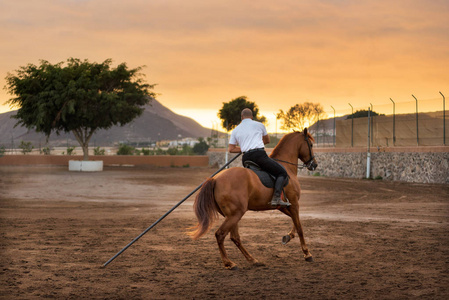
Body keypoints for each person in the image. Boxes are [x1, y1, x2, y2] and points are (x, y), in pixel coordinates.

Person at [228, 108, 290, 207]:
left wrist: (245, 147)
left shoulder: (235, 130)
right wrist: (253, 144)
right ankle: (276, 198)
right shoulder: (259, 125)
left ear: (241, 117)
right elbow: (267, 140)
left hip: (246, 158)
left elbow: (231, 149)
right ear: (252, 117)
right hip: (259, 156)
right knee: (282, 172)